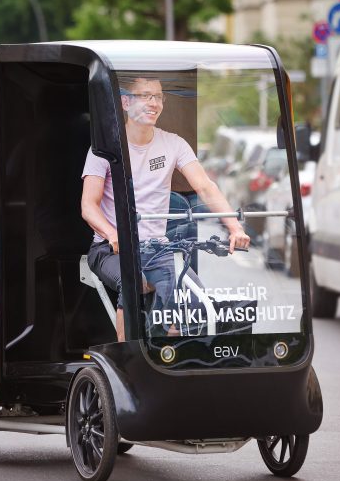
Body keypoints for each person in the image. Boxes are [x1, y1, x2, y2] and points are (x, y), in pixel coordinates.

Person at [81, 76, 251, 341]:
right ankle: (127, 360)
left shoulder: (173, 144)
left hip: (158, 248)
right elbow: (88, 206)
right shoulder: (105, 148)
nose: (154, 103)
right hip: (110, 248)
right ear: (125, 102)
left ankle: (174, 360)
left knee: (195, 302)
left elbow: (206, 187)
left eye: (158, 96)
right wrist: (113, 234)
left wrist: (235, 228)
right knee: (133, 282)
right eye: (146, 96)